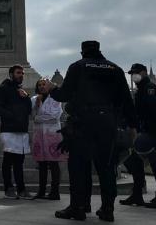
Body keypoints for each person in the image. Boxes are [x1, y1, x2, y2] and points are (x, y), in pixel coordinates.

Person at [51, 41, 137, 223]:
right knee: (107, 168)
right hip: (107, 124)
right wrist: (132, 126)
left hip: (83, 124)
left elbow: (64, 95)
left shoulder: (78, 67)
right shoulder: (115, 69)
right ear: (99, 51)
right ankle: (107, 209)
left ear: (83, 52)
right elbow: (127, 101)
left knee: (79, 167)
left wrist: (52, 90)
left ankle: (78, 207)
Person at [121, 63, 156, 209]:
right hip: (145, 132)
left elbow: (155, 113)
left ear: (143, 73)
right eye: (131, 74)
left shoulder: (150, 90)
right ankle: (138, 194)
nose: (133, 76)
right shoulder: (140, 90)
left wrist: (154, 132)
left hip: (151, 133)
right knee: (134, 162)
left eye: (135, 73)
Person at [0, 65, 33, 199]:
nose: (21, 75)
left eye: (22, 73)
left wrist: (26, 97)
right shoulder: (3, 89)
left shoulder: (21, 90)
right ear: (11, 74)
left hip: (21, 130)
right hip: (9, 130)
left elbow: (29, 110)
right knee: (8, 160)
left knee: (19, 162)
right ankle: (8, 188)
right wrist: (11, 116)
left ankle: (21, 189)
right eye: (18, 73)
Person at [31, 78, 66, 200]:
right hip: (39, 134)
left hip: (52, 134)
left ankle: (55, 192)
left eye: (44, 84)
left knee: (54, 163)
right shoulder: (34, 99)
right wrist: (37, 105)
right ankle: (41, 191)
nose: (41, 86)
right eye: (39, 84)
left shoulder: (55, 98)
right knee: (41, 164)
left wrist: (38, 118)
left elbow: (54, 116)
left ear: (49, 86)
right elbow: (32, 115)